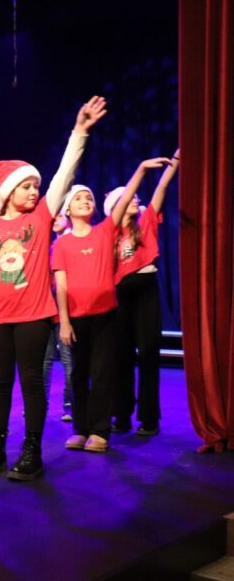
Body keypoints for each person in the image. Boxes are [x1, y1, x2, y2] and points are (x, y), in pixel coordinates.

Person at [0, 96, 107, 481]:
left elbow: (64, 173)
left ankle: (32, 450)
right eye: (26, 186)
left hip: (33, 315)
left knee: (31, 380)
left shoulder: (43, 216)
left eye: (36, 186)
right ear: (7, 191)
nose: (34, 191)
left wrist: (79, 132)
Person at [54, 158, 172, 453]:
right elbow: (61, 285)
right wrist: (64, 321)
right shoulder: (63, 244)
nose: (85, 200)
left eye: (89, 198)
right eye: (78, 198)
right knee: (79, 373)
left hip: (106, 313)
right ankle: (81, 428)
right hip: (78, 316)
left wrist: (141, 169)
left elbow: (128, 196)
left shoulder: (104, 231)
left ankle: (100, 430)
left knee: (103, 372)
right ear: (67, 210)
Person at [107, 148, 179, 436]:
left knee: (149, 353)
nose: (136, 200)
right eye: (130, 198)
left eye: (137, 198)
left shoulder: (146, 222)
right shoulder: (109, 233)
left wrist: (175, 161)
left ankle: (149, 418)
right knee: (121, 355)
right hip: (120, 296)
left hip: (147, 291)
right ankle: (121, 414)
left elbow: (161, 187)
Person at [43, 210, 75, 422]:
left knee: (68, 359)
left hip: (67, 310)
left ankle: (69, 404)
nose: (55, 221)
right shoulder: (49, 245)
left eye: (60, 216)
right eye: (53, 217)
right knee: (44, 360)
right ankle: (41, 403)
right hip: (47, 309)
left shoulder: (71, 242)